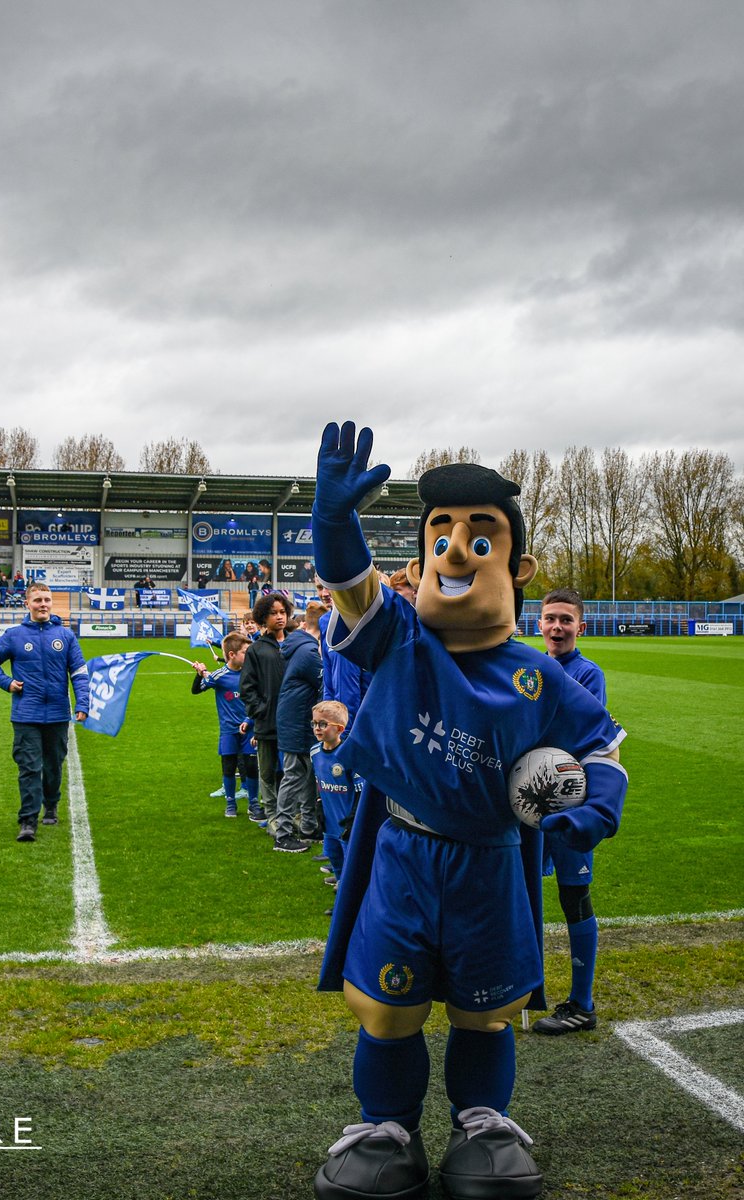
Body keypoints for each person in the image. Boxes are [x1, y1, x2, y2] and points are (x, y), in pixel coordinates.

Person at [312, 422, 627, 1200]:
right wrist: (331, 521)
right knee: (388, 1009)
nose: (458, 551)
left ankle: (482, 1121)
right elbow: (351, 583)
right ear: (417, 564)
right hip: (405, 856)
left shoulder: (539, 676)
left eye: (479, 539)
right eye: (442, 537)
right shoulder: (398, 641)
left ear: (517, 568)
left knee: (487, 1013)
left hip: (490, 860)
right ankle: (385, 1126)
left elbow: (601, 752)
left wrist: (589, 811)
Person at [531, 587, 608, 1036]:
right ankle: (522, 986)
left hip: (568, 807)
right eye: (550, 619)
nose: (556, 627)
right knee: (522, 896)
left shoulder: (587, 674)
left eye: (565, 620)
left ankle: (582, 1003)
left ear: (581, 626)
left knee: (573, 897)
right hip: (525, 804)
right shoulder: (529, 668)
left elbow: (578, 732)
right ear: (538, 624)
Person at [0, 583, 89, 843]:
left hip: (57, 714)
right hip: (25, 714)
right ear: (27, 604)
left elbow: (79, 673)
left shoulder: (66, 636)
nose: (43, 604)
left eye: (47, 600)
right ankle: (28, 821)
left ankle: (50, 805)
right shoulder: (14, 635)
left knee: (53, 766)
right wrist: (7, 682)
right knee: (29, 767)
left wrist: (83, 703)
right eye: (38, 600)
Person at [270, 599, 328, 851]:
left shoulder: (298, 646)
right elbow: (326, 685)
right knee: (294, 775)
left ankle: (308, 827)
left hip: (296, 720)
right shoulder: (308, 652)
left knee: (305, 775)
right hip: (298, 723)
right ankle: (282, 834)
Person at [191, 631, 261, 821]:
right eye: (245, 652)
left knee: (251, 766)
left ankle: (254, 803)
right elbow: (196, 690)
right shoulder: (219, 676)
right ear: (232, 655)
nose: (249, 656)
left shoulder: (253, 674)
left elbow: (260, 699)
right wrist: (199, 675)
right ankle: (230, 803)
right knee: (229, 767)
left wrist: (250, 720)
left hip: (250, 729)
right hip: (229, 731)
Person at [238, 591, 292, 830]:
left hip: (294, 721)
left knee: (295, 771)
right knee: (267, 773)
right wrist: (260, 710)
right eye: (273, 613)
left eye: (282, 612)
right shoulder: (256, 649)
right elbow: (247, 687)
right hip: (266, 722)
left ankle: (294, 815)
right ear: (263, 617)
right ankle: (271, 816)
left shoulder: (296, 643)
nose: (279, 617)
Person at [312, 699, 360, 911]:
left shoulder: (350, 754)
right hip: (330, 825)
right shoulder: (314, 752)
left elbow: (361, 792)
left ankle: (350, 904)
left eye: (323, 724)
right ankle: (342, 899)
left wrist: (353, 820)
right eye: (314, 723)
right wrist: (319, 806)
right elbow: (318, 781)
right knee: (335, 860)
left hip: (347, 826)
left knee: (352, 867)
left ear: (339, 729)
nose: (317, 728)